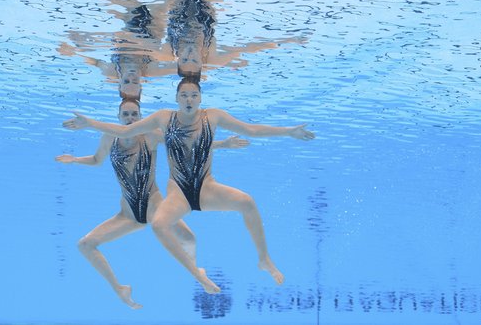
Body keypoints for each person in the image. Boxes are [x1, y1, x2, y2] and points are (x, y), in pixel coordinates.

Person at [62, 77, 315, 294]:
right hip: (178, 193)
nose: (189, 99)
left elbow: (251, 130)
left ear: (201, 98)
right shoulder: (162, 118)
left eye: (194, 94)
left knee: (247, 202)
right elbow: (124, 133)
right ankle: (197, 274)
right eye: (184, 95)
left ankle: (264, 259)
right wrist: (91, 124)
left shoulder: (213, 116)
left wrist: (288, 131)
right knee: (160, 225)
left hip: (207, 187)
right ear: (176, 98)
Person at [56, 98, 249, 307]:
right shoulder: (108, 138)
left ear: (140, 117)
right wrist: (74, 160)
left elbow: (187, 145)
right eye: (126, 114)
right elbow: (96, 160)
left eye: (134, 114)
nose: (130, 118)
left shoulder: (150, 135)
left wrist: (224, 144)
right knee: (85, 245)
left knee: (189, 239)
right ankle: (120, 289)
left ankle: (198, 275)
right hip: (128, 215)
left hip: (155, 208)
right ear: (118, 117)